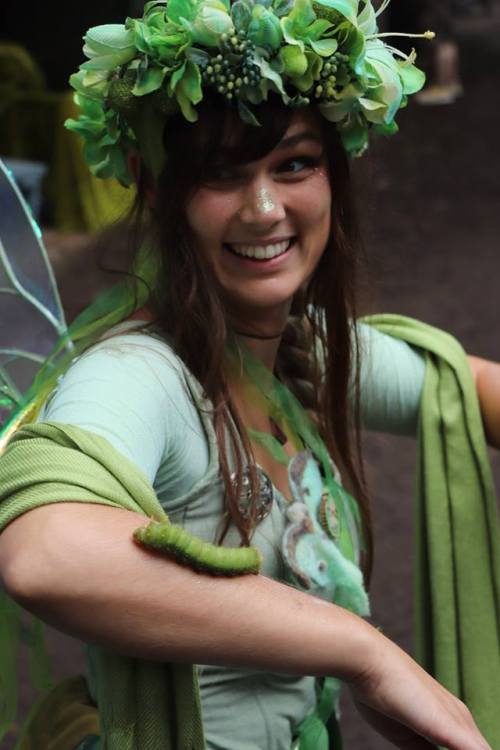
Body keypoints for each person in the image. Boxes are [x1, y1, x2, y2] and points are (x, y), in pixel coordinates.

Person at [0, 2, 498, 749]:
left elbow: (467, 387)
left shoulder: (300, 349)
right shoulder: (140, 375)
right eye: (219, 175)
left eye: (293, 164)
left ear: (334, 174)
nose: (265, 210)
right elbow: (46, 556)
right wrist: (360, 650)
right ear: (153, 184)